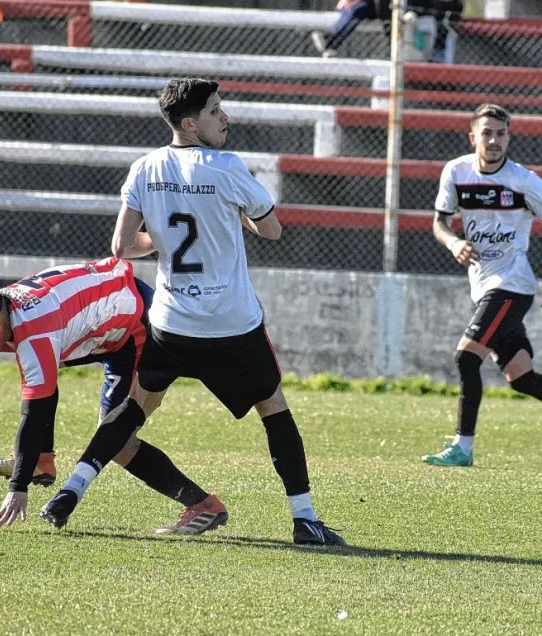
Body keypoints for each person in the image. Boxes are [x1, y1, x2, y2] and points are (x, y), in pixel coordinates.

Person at [41, 77, 346, 546]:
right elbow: (272, 231)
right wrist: (234, 214)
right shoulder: (227, 167)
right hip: (231, 323)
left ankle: (71, 490)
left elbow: (123, 246)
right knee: (274, 409)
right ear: (189, 122)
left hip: (171, 323)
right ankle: (305, 519)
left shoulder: (144, 167)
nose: (225, 117)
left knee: (134, 407)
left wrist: (163, 241)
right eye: (215, 111)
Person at [0, 258, 228, 534]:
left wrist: (17, 488)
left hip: (136, 324)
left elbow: (35, 410)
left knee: (117, 442)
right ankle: (40, 461)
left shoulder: (35, 331)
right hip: (105, 322)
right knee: (43, 382)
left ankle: (203, 506)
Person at [421, 103, 542, 469]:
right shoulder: (456, 172)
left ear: (509, 137)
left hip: (512, 285)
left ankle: (463, 447)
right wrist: (453, 242)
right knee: (521, 377)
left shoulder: (523, 181)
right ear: (473, 137)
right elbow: (439, 222)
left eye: (501, 134)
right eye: (487, 133)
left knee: (466, 358)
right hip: (484, 286)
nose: (494, 141)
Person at [310, 0, 389, 58]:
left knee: (356, 10)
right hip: (358, 5)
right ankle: (331, 42)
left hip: (375, 7)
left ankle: (330, 41)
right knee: (354, 12)